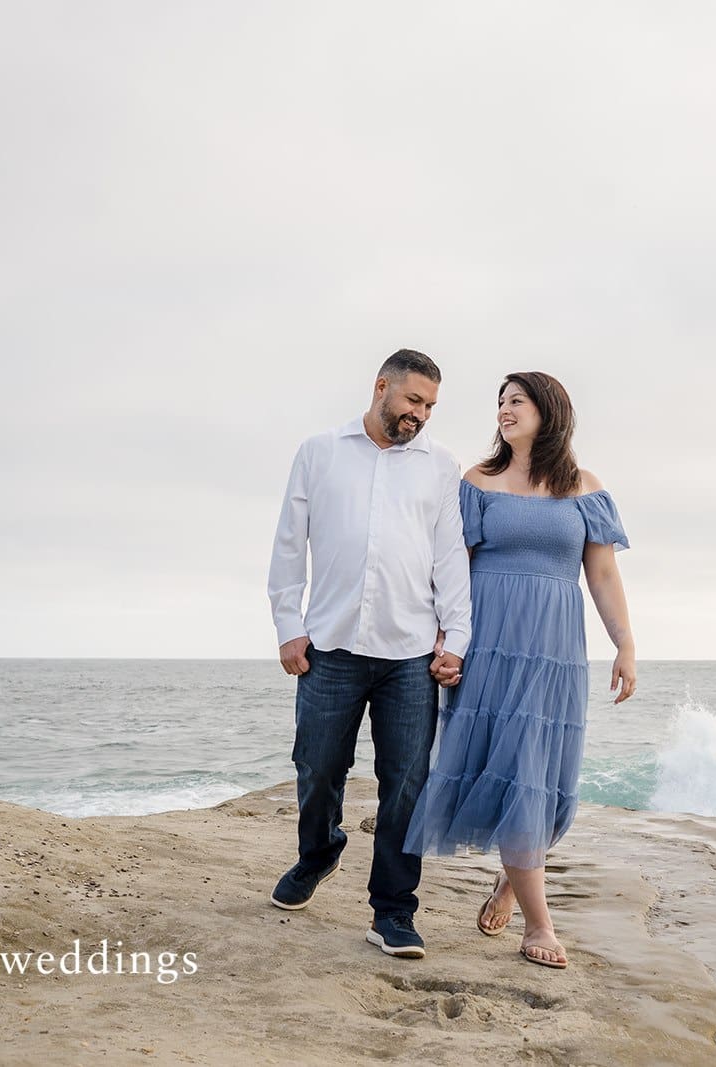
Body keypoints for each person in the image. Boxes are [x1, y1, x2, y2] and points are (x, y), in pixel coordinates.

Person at [404, 371, 636, 969]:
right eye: (500, 402)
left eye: (517, 401)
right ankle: (540, 924)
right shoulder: (477, 482)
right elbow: (454, 569)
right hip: (491, 648)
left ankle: (513, 877)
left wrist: (625, 646)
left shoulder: (584, 488)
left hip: (555, 652)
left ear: (549, 411)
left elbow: (603, 576)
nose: (505, 411)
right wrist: (444, 640)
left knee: (546, 776)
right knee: (510, 770)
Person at [266, 349, 472, 960]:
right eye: (413, 401)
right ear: (381, 386)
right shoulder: (319, 451)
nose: (421, 415)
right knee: (317, 767)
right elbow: (287, 545)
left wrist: (455, 639)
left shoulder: (440, 467)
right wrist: (287, 625)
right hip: (329, 645)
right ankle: (318, 854)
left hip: (410, 653)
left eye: (431, 406)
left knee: (406, 783)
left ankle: (393, 911)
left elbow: (450, 557)